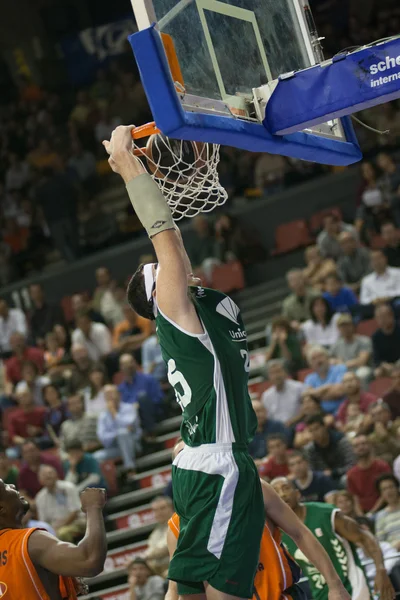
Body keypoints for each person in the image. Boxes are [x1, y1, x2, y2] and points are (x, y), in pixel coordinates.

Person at [104, 125, 265, 600]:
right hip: (219, 464)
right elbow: (166, 235)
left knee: (190, 590)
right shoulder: (173, 309)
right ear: (160, 294)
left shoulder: (195, 310)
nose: (173, 265)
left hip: (207, 458)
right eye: (163, 272)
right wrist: (128, 165)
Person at [167, 464, 353, 600]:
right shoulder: (177, 525)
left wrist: (335, 585)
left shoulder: (253, 488)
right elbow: (176, 586)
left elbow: (300, 533)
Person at [272, 477, 395, 600]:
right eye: (276, 491)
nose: (282, 494)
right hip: (321, 595)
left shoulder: (325, 513)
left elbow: (365, 537)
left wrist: (381, 570)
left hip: (353, 589)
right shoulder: (278, 532)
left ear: (297, 493)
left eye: (286, 488)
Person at [0, 480, 106, 599]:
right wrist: (93, 507)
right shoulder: (29, 542)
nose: (12, 485)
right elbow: (90, 561)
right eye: (5, 487)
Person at [95, 384, 141, 478]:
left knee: (123, 434)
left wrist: (114, 414)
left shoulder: (129, 408)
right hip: (115, 448)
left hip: (133, 444)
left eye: (111, 393)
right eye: (106, 395)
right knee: (95, 457)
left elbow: (130, 426)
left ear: (119, 395)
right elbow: (102, 438)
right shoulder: (102, 416)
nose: (109, 397)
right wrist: (116, 435)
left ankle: (130, 468)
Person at [36, 465, 86, 543]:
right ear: (40, 480)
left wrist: (59, 527)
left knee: (62, 533)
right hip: (54, 528)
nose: (48, 476)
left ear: (56, 475)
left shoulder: (68, 487)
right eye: (44, 475)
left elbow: (75, 512)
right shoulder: (39, 498)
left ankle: (71, 555)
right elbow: (43, 522)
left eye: (50, 473)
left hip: (76, 522)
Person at [118, 353, 163, 435]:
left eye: (131, 362)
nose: (129, 366)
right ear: (121, 367)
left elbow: (158, 399)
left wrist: (140, 404)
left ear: (135, 363)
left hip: (152, 413)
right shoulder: (121, 389)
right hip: (133, 418)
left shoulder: (148, 379)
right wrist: (133, 407)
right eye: (125, 364)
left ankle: (150, 432)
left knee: (142, 397)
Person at [304, 414, 355, 486]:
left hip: (343, 476)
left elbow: (352, 465)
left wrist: (333, 472)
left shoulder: (341, 441)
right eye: (311, 431)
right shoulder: (310, 449)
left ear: (324, 427)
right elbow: (312, 472)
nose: (314, 433)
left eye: (316, 429)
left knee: (345, 479)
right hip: (324, 481)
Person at [347, 435, 391, 514]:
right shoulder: (351, 474)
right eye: (356, 446)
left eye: (363, 444)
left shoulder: (382, 466)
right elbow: (355, 499)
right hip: (364, 513)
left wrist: (372, 513)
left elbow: (387, 491)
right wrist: (362, 517)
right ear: (353, 450)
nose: (361, 447)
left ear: (370, 445)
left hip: (384, 509)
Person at [330, 316, 373, 386]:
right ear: (338, 329)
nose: (345, 329)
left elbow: (362, 361)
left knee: (362, 374)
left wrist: (342, 364)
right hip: (343, 372)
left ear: (352, 326)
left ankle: (363, 396)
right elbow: (328, 359)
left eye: (347, 325)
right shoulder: (337, 344)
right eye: (342, 327)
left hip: (360, 369)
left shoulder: (364, 340)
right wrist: (335, 361)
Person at [304, 345, 347, 414]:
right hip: (322, 415)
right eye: (314, 358)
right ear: (310, 364)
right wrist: (328, 387)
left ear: (327, 358)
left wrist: (316, 395)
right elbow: (308, 397)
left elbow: (339, 392)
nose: (318, 360)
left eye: (320, 356)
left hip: (343, 411)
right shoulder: (309, 378)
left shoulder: (340, 369)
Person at [7, 386, 48, 458]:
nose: (24, 398)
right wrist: (26, 443)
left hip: (40, 441)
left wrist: (38, 430)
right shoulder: (12, 416)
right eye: (21, 396)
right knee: (10, 454)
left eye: (26, 395)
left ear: (31, 396)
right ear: (18, 399)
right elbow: (13, 436)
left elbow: (49, 429)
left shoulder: (42, 411)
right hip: (22, 444)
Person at [261, 360, 303, 425]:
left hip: (297, 424)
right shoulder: (266, 396)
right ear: (269, 377)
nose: (276, 376)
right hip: (277, 430)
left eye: (278, 371)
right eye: (273, 373)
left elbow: (306, 409)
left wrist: (292, 421)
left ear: (285, 373)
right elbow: (267, 417)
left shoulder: (298, 387)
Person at [360, 250, 400, 316]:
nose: (377, 262)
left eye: (379, 258)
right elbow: (363, 300)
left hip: (394, 302)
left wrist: (387, 297)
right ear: (370, 263)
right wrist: (373, 300)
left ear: (385, 258)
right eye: (374, 260)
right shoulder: (366, 280)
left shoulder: (397, 273)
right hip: (375, 306)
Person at [143, 496, 174, 575]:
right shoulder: (155, 533)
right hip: (163, 570)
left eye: (162, 508)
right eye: (155, 510)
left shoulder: (178, 522)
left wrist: (145, 556)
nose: (159, 512)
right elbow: (152, 551)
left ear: (171, 508)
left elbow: (165, 548)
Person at [372, 304, 400, 377]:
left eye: (384, 316)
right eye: (379, 317)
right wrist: (385, 365)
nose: (382, 320)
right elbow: (376, 359)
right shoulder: (376, 336)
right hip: (387, 366)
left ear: (392, 316)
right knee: (377, 372)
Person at [376, 474, 400, 550]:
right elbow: (381, 542)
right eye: (384, 489)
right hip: (394, 555)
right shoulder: (381, 515)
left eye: (391, 487)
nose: (388, 491)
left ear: (397, 488)